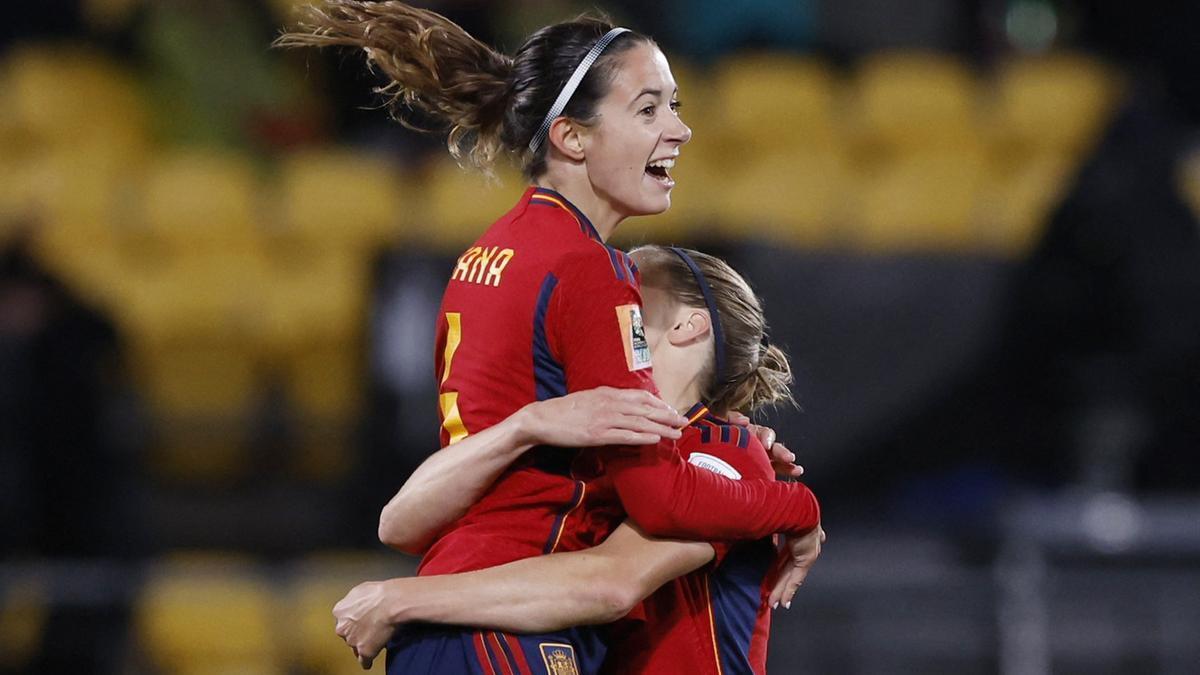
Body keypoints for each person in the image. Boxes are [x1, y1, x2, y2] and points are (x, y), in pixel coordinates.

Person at [278, 4, 822, 672]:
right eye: (648, 109)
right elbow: (652, 506)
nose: (679, 129)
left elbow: (402, 523)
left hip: (447, 619)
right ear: (571, 137)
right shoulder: (588, 269)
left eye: (673, 105)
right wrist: (794, 505)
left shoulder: (485, 256)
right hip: (514, 625)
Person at [334, 246, 824, 674]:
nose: (607, 299)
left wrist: (403, 600)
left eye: (631, 291)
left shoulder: (723, 452)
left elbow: (609, 582)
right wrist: (522, 425)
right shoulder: (599, 445)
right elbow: (398, 525)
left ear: (687, 324)